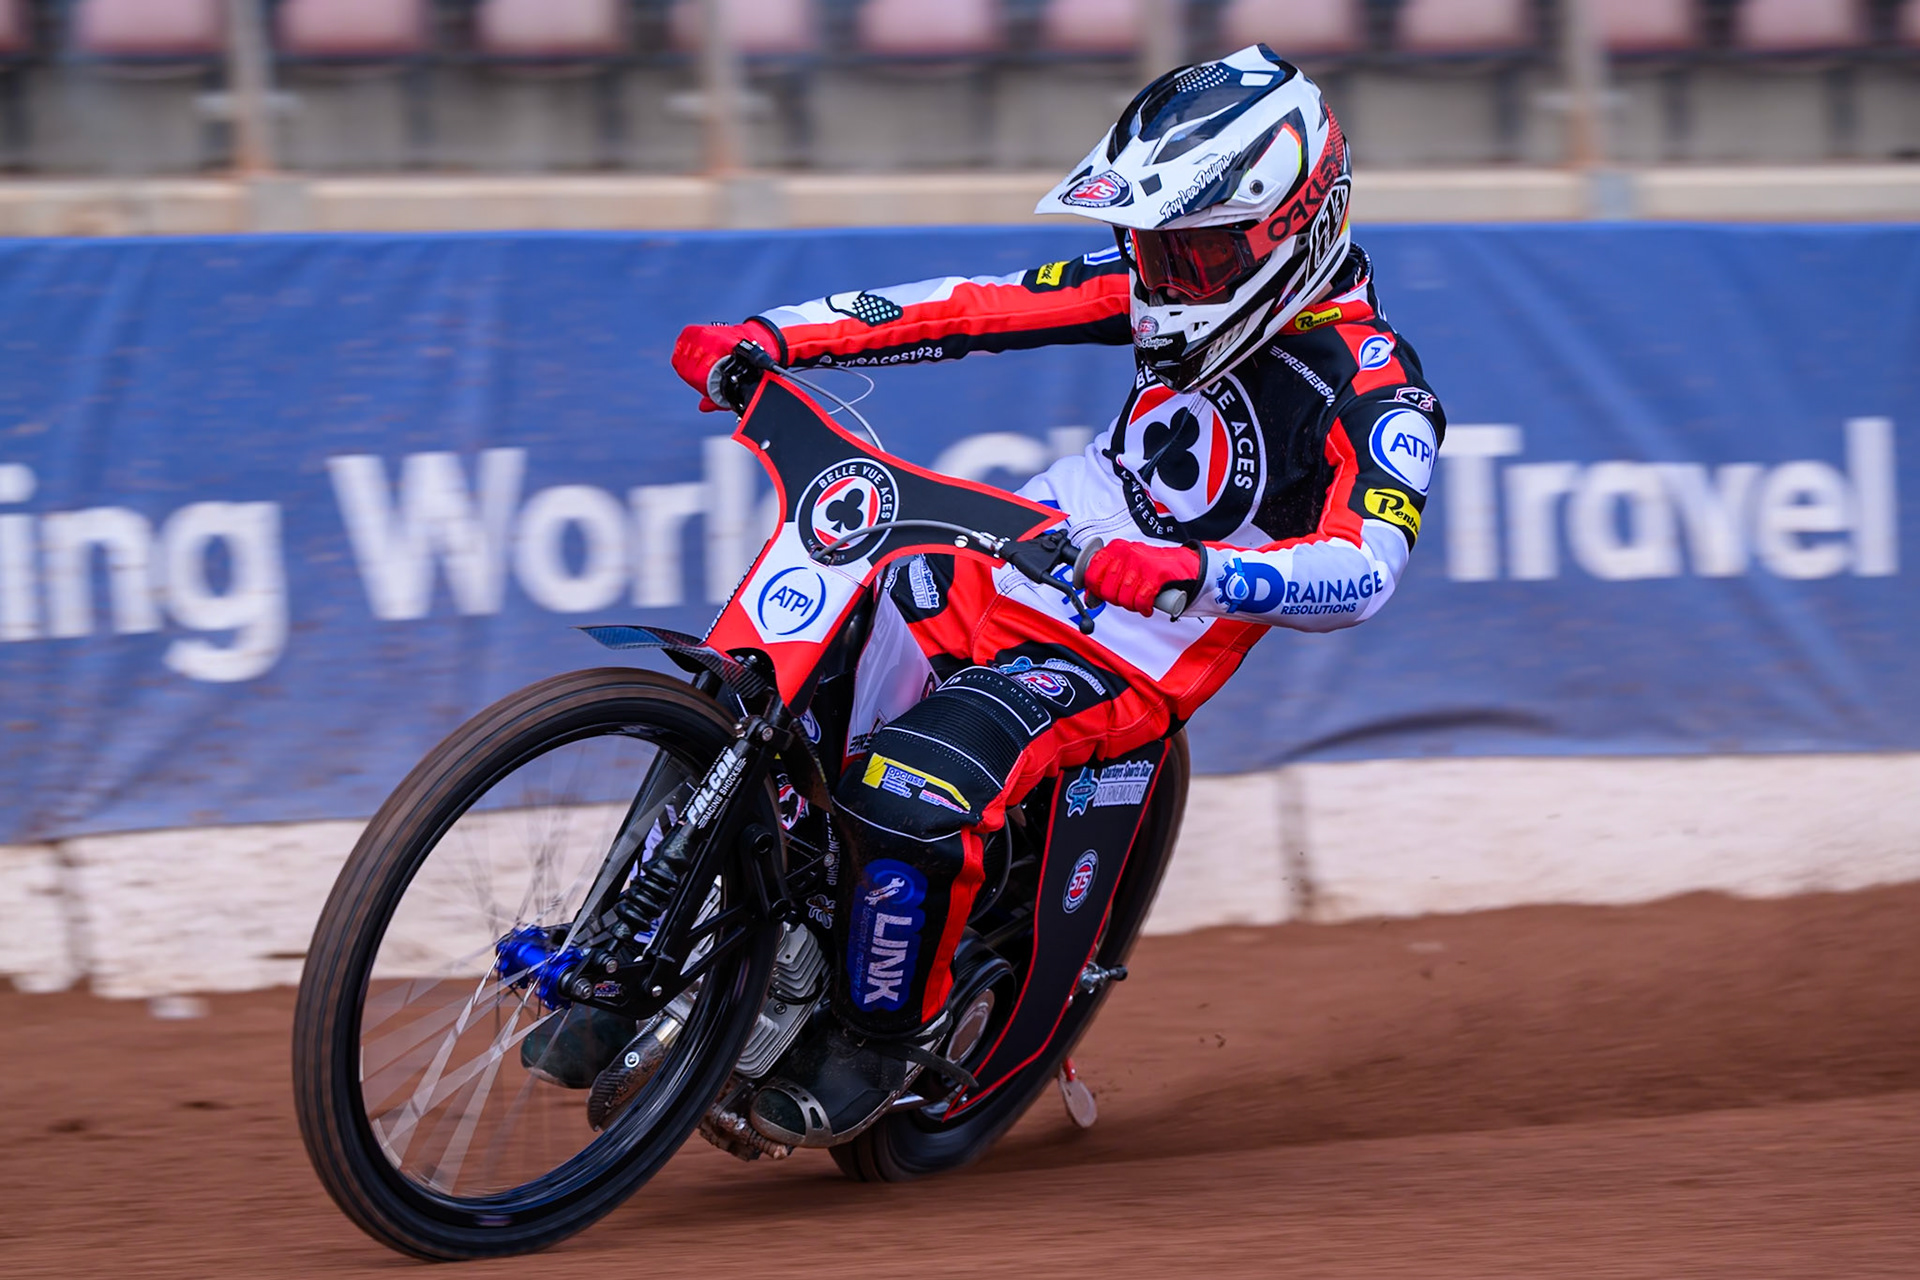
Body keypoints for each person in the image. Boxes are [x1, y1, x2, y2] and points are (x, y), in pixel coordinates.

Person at [671, 44, 1445, 1148]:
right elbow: (970, 307)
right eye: (1151, 251)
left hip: (1133, 644)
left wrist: (1199, 572)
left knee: (911, 785)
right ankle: (706, 928)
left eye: (1196, 255)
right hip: (1017, 557)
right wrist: (775, 336)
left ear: (1299, 225)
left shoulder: (1376, 385)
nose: (1164, 281)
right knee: (776, 687)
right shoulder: (1159, 285)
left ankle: (878, 1036)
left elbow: (1367, 566)